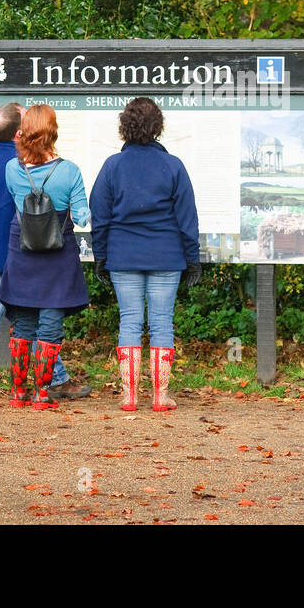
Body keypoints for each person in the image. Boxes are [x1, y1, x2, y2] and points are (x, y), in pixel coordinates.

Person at [0, 102, 88, 401]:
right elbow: (77, 214)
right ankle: (47, 388)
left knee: (15, 318)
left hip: (13, 250)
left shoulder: (1, 164)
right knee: (48, 316)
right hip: (44, 251)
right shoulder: (63, 169)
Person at [90, 97, 201, 412]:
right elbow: (187, 219)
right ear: (158, 127)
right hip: (166, 256)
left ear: (124, 126)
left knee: (129, 322)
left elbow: (100, 214)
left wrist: (101, 255)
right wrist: (192, 258)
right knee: (162, 323)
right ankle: (160, 396)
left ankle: (129, 397)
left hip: (123, 256)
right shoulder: (173, 165)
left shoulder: (113, 166)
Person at [0, 103, 91, 410]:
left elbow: (16, 200)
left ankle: (18, 392)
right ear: (53, 132)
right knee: (50, 321)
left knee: (23, 319)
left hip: (21, 248)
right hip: (57, 251)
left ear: (23, 133)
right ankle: (42, 394)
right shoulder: (69, 171)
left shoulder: (12, 169)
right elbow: (83, 217)